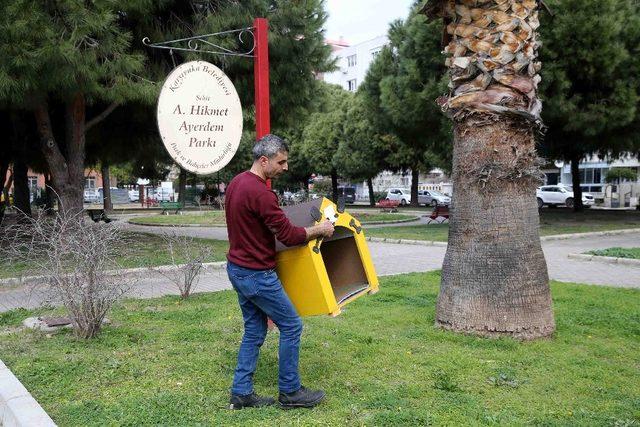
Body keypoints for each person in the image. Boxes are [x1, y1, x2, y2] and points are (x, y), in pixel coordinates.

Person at [225, 134, 334, 410]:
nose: (285, 167)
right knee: (292, 325)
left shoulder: (236, 183)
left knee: (254, 329)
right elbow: (287, 235)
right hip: (257, 274)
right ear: (264, 161)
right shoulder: (261, 192)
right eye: (281, 162)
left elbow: (260, 225)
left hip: (237, 269)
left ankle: (241, 393)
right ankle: (290, 392)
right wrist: (320, 229)